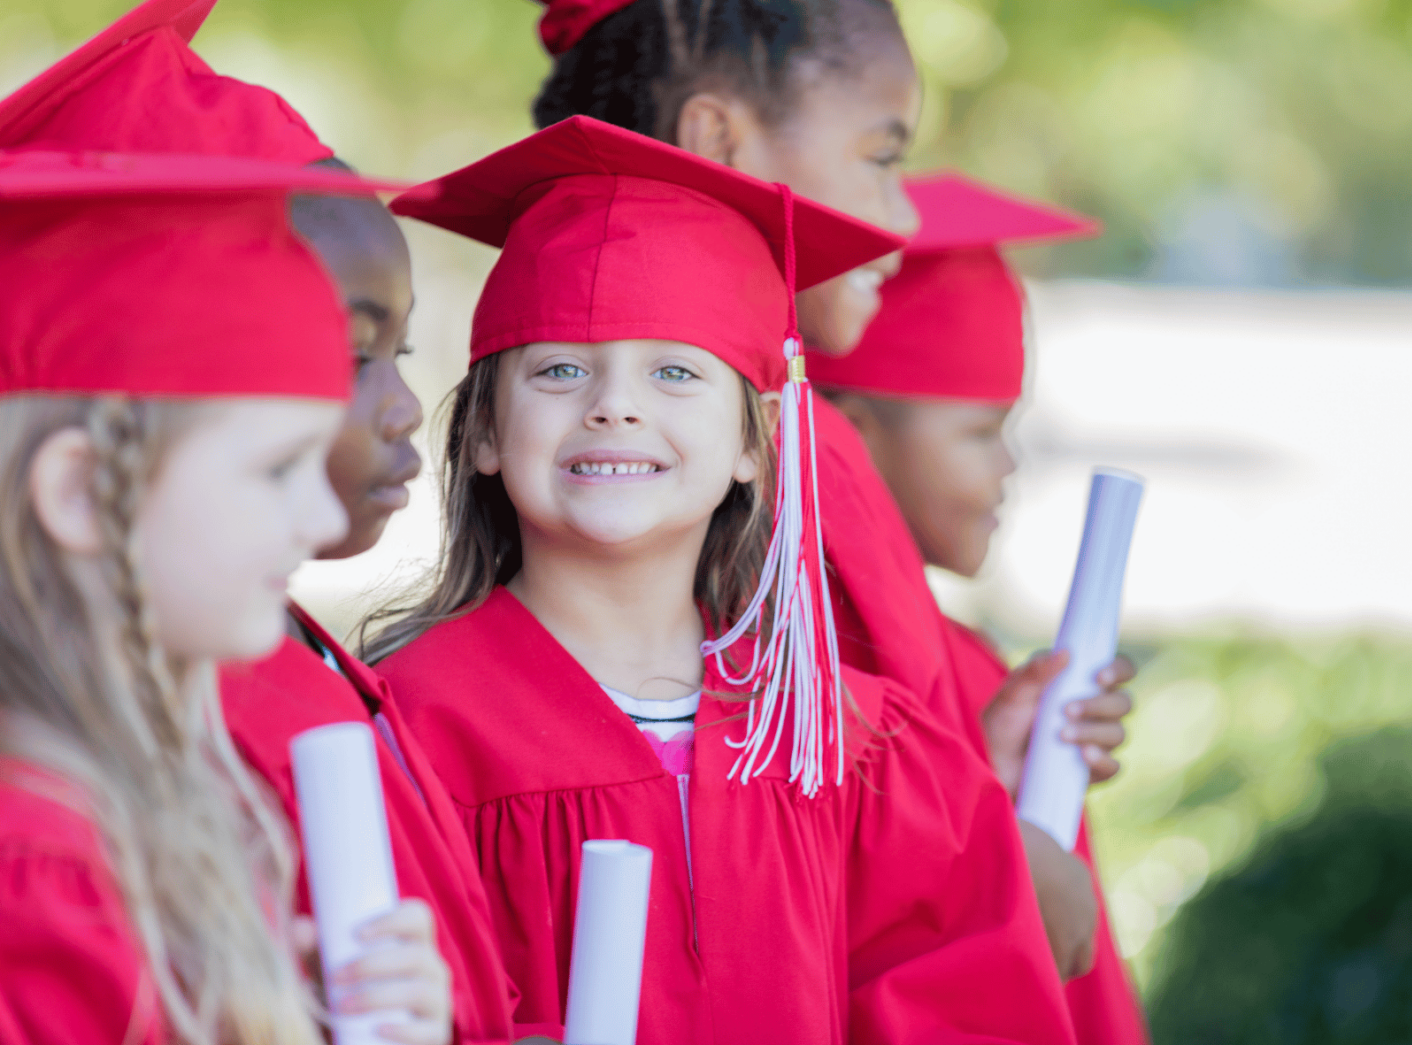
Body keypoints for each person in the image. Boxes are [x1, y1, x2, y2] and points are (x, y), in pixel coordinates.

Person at [365, 114, 1076, 1044]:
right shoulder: (405, 734)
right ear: (487, 434)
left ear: (755, 441)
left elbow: (977, 994)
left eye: (673, 372)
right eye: (561, 369)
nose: (614, 404)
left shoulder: (847, 743)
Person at [526, 0, 1136, 985]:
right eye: (880, 157)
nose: (901, 217)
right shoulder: (749, 460)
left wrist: (980, 770)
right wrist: (1000, 867)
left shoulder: (799, 444)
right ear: (718, 140)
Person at [0, 4, 522, 1040]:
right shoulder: (43, 870)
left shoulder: (148, 810)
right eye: (274, 466)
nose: (316, 507)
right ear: (72, 493)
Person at [807, 171, 1150, 1044]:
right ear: (847, 427)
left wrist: (1008, 778)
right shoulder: (808, 672)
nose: (1008, 467)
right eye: (978, 431)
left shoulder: (971, 666)